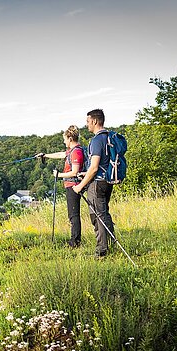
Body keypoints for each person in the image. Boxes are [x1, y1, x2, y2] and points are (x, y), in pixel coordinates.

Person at [73, 109, 114, 257]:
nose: (87, 124)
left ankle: (102, 251)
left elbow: (95, 167)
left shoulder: (96, 140)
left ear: (95, 121)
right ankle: (110, 243)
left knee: (97, 216)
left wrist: (80, 185)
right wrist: (86, 173)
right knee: (104, 213)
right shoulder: (109, 137)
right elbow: (101, 164)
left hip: (97, 183)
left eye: (88, 121)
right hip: (107, 180)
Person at [36, 125, 84, 248]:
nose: (64, 141)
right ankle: (74, 241)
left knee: (73, 215)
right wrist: (45, 155)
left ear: (70, 138)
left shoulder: (76, 152)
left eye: (65, 139)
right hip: (71, 184)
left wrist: (59, 175)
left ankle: (75, 242)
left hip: (74, 185)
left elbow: (75, 172)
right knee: (72, 214)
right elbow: (61, 154)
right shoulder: (72, 151)